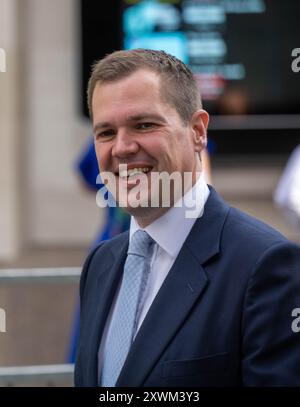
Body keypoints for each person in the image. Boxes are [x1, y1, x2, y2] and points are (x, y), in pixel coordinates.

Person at [75, 49, 300, 387]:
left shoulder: (265, 265)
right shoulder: (100, 263)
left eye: (144, 124)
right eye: (106, 132)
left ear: (198, 131)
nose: (121, 147)